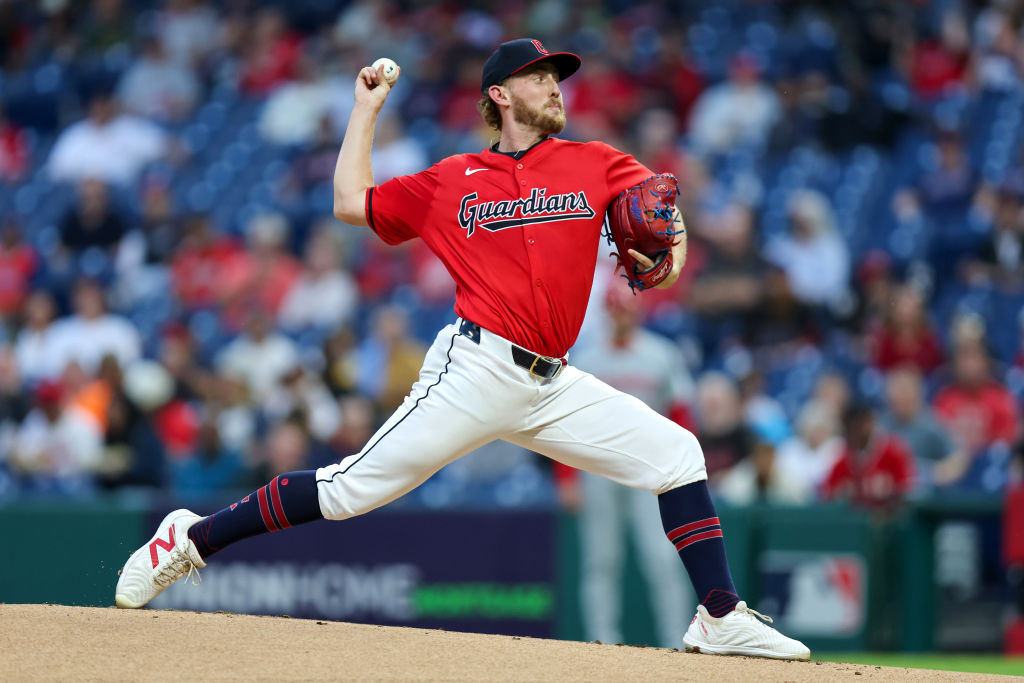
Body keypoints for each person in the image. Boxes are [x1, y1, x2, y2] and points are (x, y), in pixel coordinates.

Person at [114, 39, 809, 660]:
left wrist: (673, 247)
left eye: (558, 77)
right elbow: (350, 202)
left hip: (553, 381)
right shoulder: (453, 179)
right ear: (500, 95)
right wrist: (366, 110)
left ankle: (719, 616)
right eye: (539, 78)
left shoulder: (598, 162)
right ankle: (191, 538)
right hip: (474, 369)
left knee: (678, 455)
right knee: (348, 490)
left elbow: (663, 217)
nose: (556, 87)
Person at [565, 279, 695, 648]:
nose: (621, 316)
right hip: (600, 465)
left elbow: (681, 413)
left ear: (636, 312)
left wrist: (683, 465)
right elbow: (567, 420)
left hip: (649, 466)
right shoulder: (588, 358)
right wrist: (567, 477)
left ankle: (676, 639)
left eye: (626, 309)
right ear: (607, 312)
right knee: (600, 560)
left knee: (662, 558)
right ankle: (602, 640)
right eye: (616, 309)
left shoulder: (660, 354)